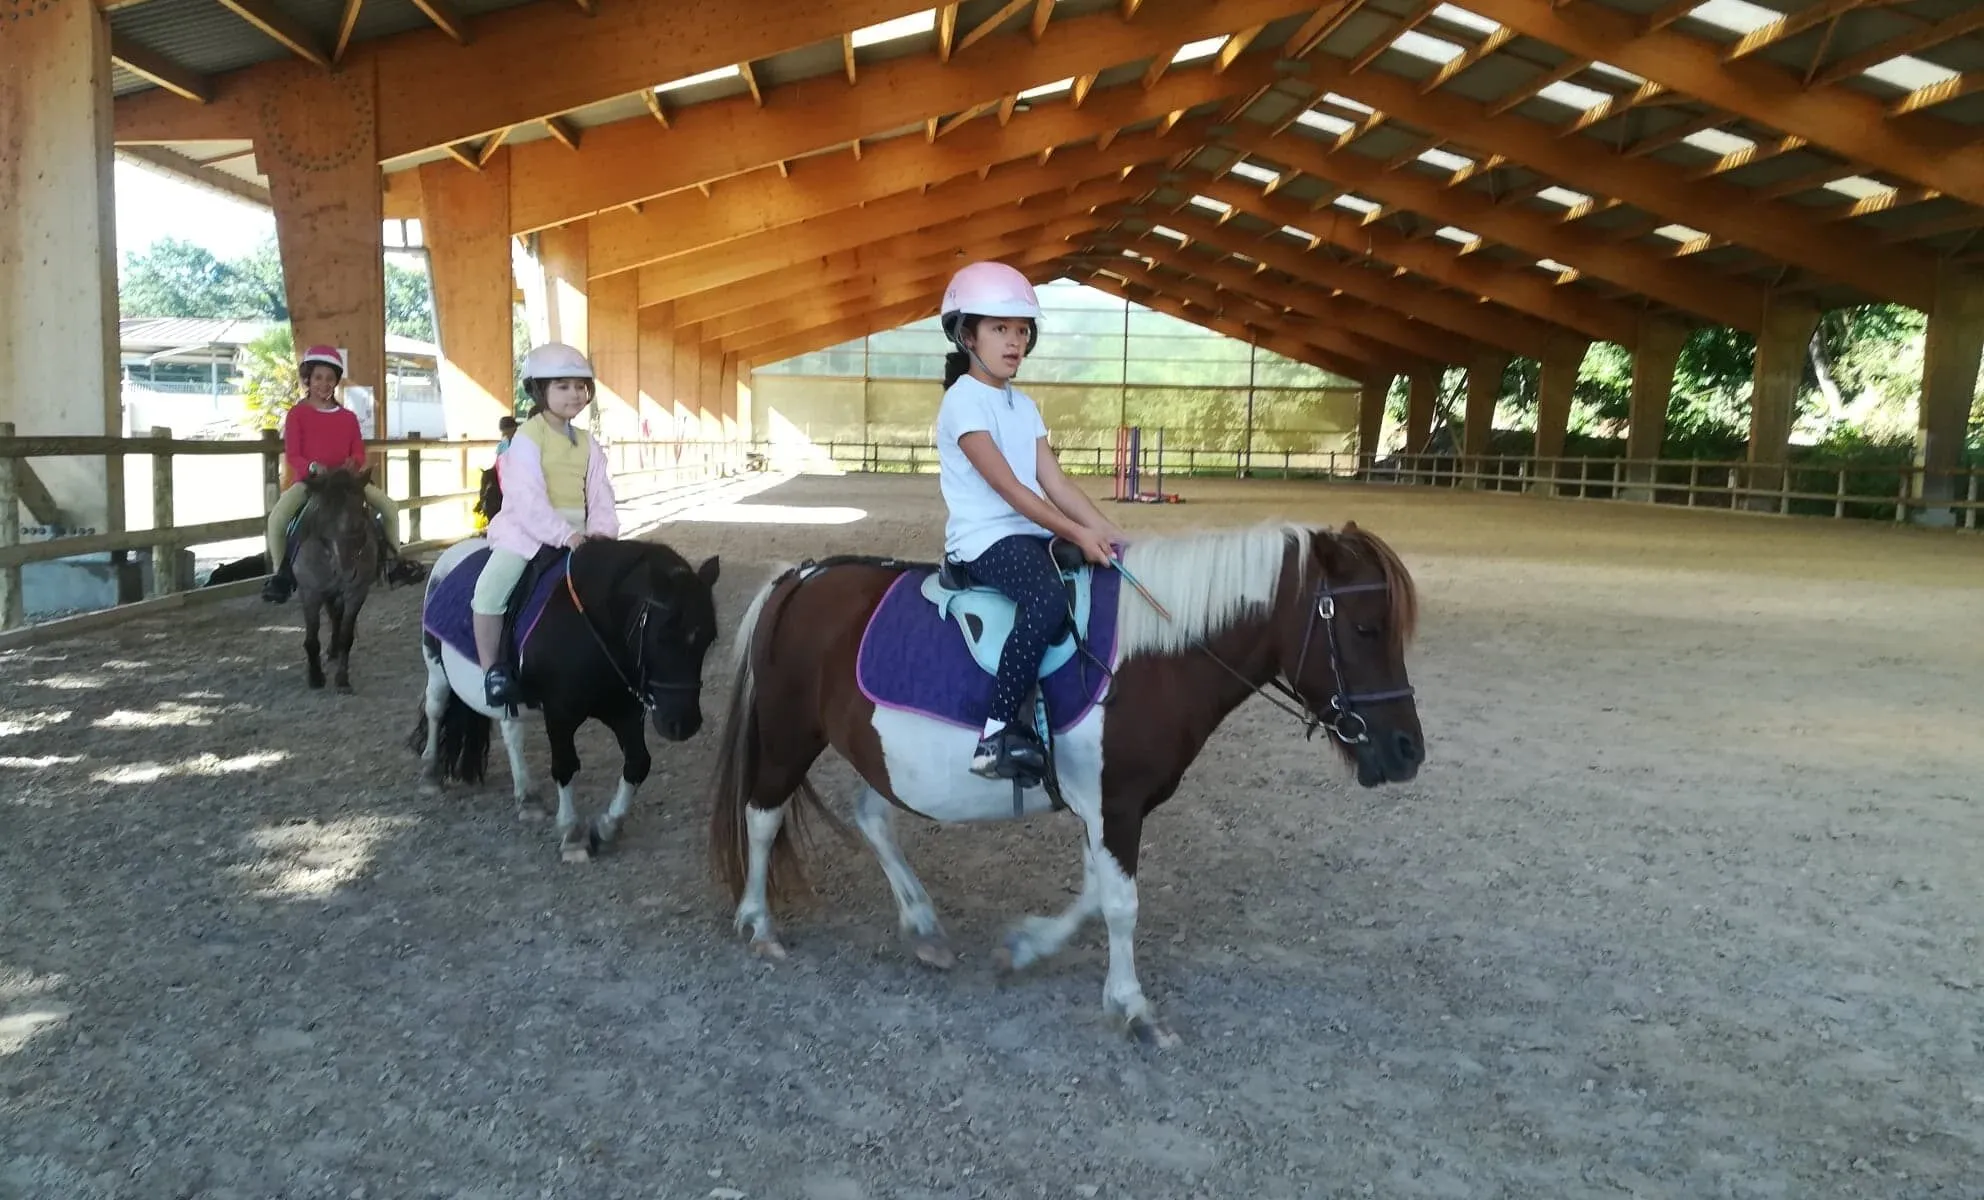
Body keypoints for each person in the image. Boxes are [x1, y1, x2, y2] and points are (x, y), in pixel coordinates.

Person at [933, 262, 1127, 782]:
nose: (1014, 341)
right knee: (1046, 597)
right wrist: (1075, 533)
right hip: (984, 539)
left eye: (1021, 330)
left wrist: (1106, 531)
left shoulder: (1024, 405)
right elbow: (1011, 490)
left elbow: (1056, 483)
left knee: (1105, 577)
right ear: (967, 334)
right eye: (1000, 329)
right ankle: (995, 733)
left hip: (1027, 533)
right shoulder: (962, 403)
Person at [473, 343, 620, 707]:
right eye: (563, 385)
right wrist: (564, 535)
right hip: (526, 531)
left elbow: (601, 494)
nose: (575, 394)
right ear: (539, 391)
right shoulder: (527, 437)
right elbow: (526, 498)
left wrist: (600, 536)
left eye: (580, 386)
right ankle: (493, 671)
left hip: (581, 535)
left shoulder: (589, 443)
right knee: (490, 591)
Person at [261, 345, 420, 603]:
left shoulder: (348, 417)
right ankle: (281, 575)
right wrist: (312, 467)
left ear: (336, 382)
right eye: (318, 378)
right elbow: (293, 455)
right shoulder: (297, 414)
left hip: (345, 483)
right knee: (277, 519)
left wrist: (352, 463)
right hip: (311, 483)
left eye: (330, 379)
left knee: (389, 508)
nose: (324, 384)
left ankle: (394, 564)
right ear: (308, 380)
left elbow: (358, 452)